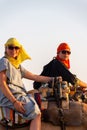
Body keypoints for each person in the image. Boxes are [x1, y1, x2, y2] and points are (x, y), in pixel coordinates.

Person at [0, 38, 53, 130]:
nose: (13, 50)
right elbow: (2, 83)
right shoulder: (4, 62)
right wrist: (14, 102)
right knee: (37, 113)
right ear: (6, 49)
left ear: (19, 50)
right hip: (11, 97)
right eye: (11, 48)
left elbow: (34, 76)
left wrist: (53, 79)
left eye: (16, 48)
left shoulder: (17, 66)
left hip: (20, 95)